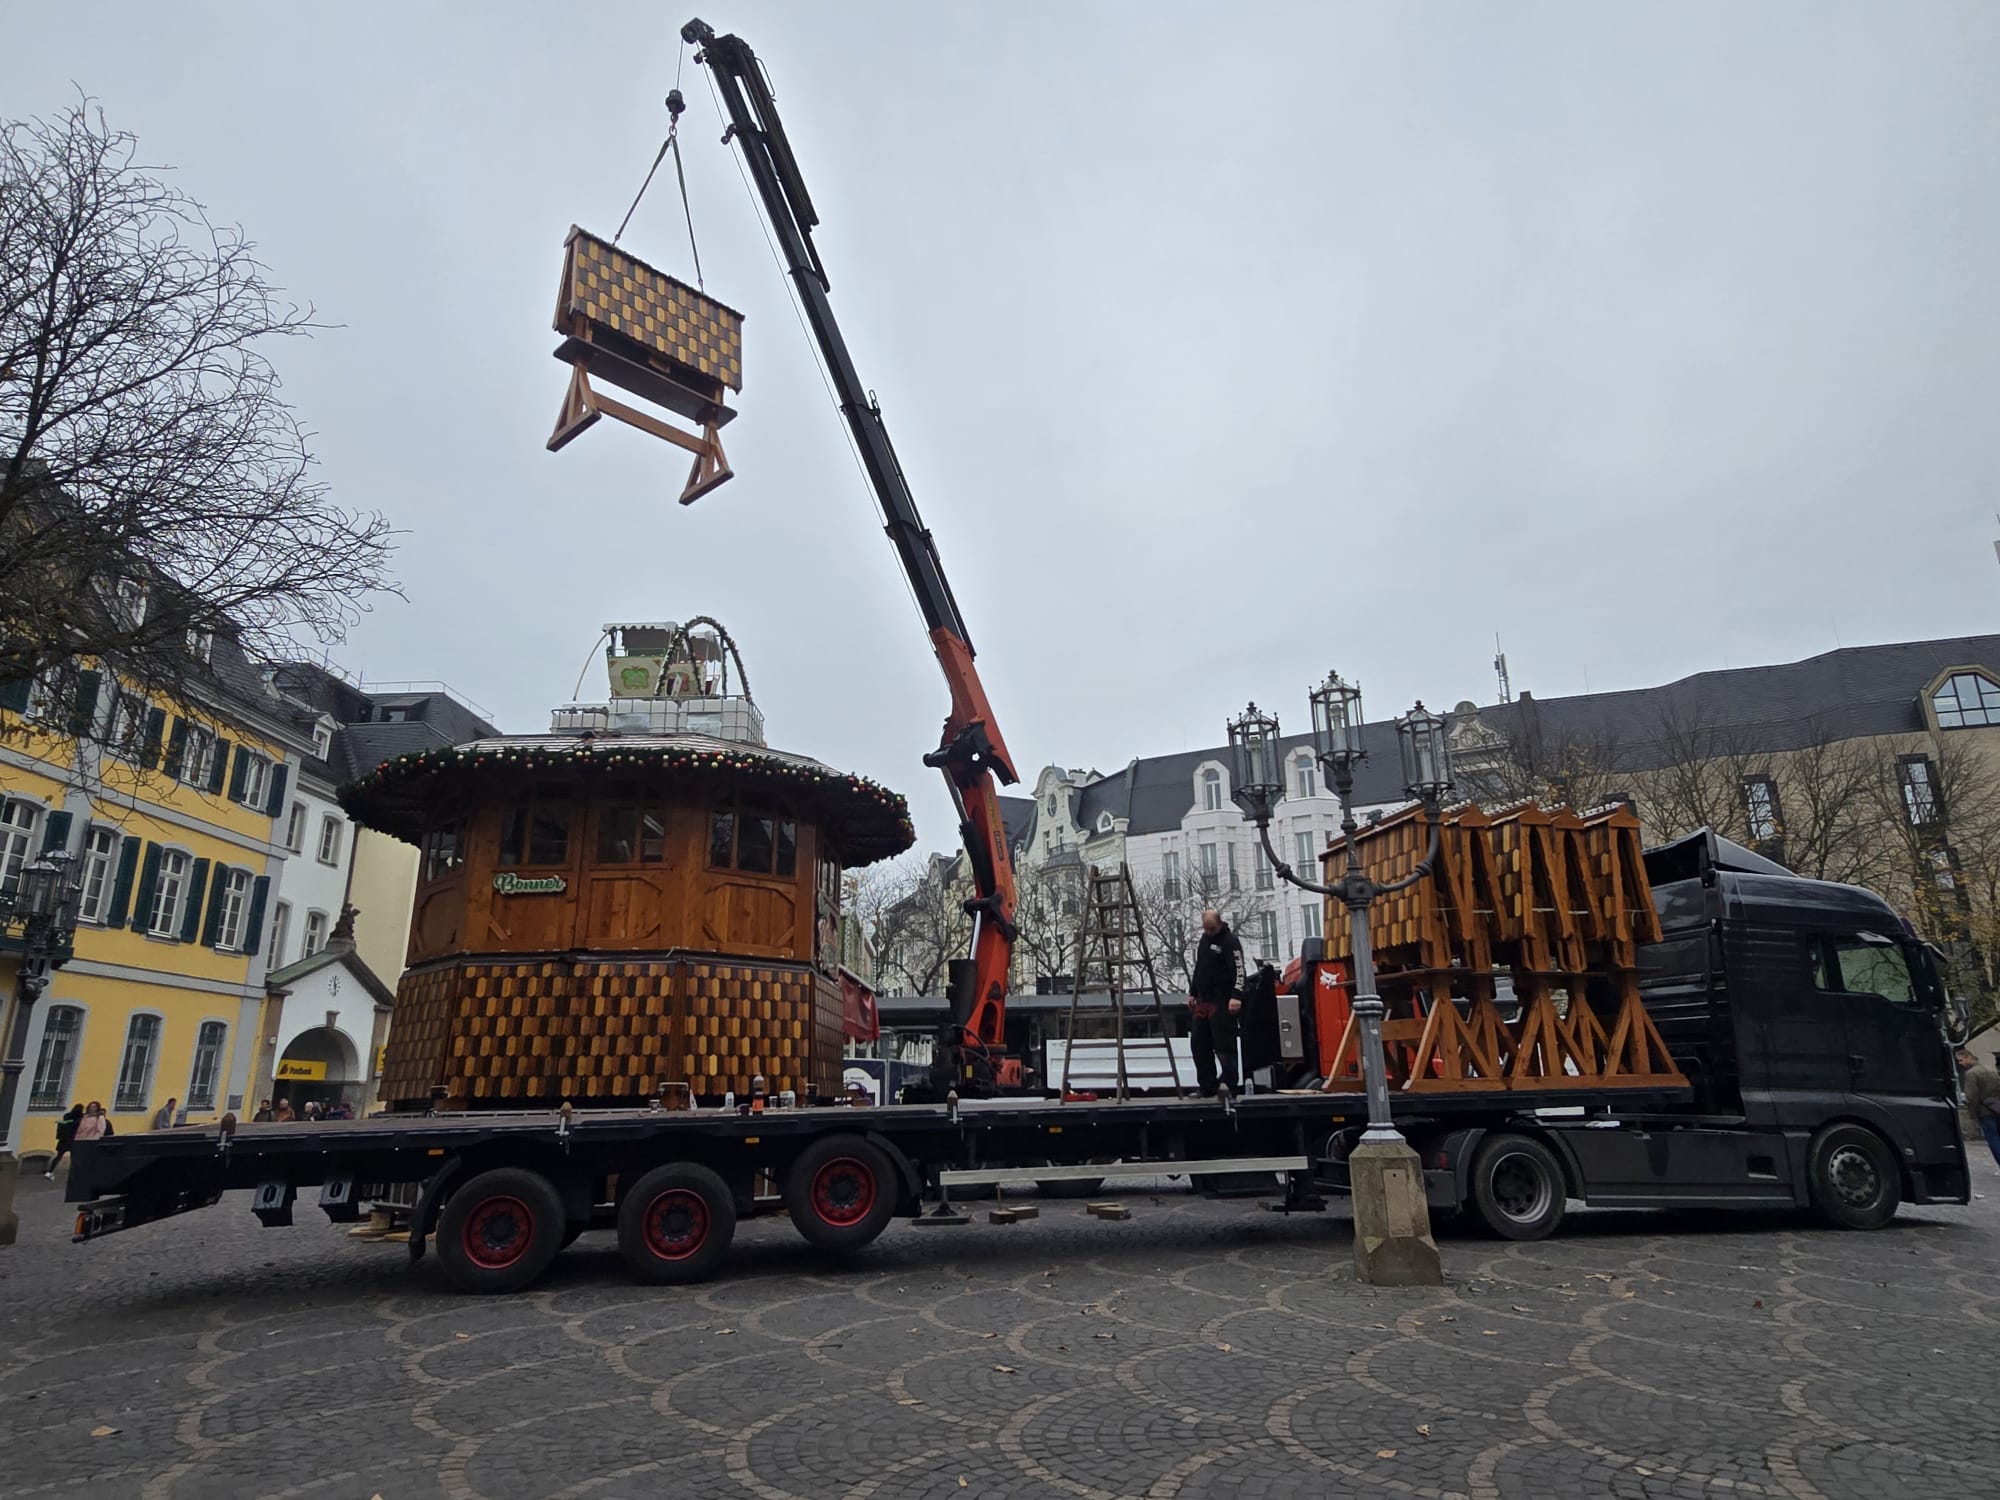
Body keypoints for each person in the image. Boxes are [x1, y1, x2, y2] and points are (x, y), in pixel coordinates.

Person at [1186, 907, 1245, 1096]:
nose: (1209, 933)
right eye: (1206, 929)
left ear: (1219, 924)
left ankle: (1230, 1083)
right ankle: (1207, 1085)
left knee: (1223, 1043)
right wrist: (1193, 992)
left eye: (1212, 929)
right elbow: (1199, 968)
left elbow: (1239, 970)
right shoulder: (1204, 940)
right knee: (1198, 1043)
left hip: (1222, 999)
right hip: (1204, 999)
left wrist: (1236, 995)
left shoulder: (1230, 942)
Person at [1958, 1048, 2000, 1168]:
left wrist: (1972, 1113)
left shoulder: (1971, 1074)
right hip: (1996, 1107)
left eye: (1961, 1060)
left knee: (1993, 1139)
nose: (1960, 1063)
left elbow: (1971, 1097)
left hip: (1984, 1111)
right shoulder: (1991, 1070)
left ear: (1968, 1057)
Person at [44, 1102, 84, 1178]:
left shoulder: (67, 1116)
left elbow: (63, 1124)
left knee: (58, 1156)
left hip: (64, 1140)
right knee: (74, 1158)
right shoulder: (80, 1118)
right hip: (73, 1140)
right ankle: (73, 1173)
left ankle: (50, 1171)